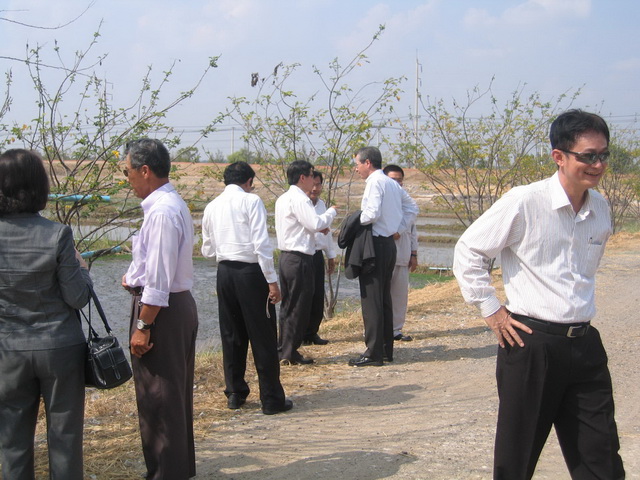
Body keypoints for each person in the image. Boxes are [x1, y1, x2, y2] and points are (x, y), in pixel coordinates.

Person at [453, 109, 625, 479]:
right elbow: (469, 250)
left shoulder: (600, 207)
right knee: (517, 459)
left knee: (602, 460)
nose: (598, 165)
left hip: (585, 345)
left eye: (603, 155)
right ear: (558, 156)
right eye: (588, 156)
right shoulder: (524, 201)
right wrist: (492, 310)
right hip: (531, 344)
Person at [0, 149, 92, 480]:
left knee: (12, 442)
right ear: (39, 186)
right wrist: (83, 270)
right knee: (65, 439)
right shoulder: (57, 234)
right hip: (59, 348)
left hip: (9, 350)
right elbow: (78, 298)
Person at [121, 138, 199, 480]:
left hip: (161, 313)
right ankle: (173, 469)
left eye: (127, 172)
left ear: (145, 170)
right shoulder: (165, 205)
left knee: (160, 397)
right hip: (167, 307)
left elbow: (158, 281)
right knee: (168, 396)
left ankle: (166, 472)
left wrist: (144, 325)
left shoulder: (163, 212)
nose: (127, 179)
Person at [201, 161, 293, 415]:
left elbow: (207, 249)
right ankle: (271, 399)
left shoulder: (212, 206)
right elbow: (261, 244)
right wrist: (272, 281)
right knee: (262, 335)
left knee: (231, 333)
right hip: (250, 273)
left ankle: (235, 392)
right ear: (249, 181)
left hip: (225, 272)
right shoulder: (251, 201)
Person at [350, 147, 418, 367]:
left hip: (376, 245)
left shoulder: (375, 182)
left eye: (357, 164)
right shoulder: (391, 183)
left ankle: (373, 353)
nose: (356, 169)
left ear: (368, 163)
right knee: (384, 299)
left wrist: (353, 222)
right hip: (389, 245)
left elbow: (371, 213)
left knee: (372, 300)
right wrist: (399, 227)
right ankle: (386, 350)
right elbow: (412, 207)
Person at [275, 160, 337, 365]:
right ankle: (289, 352)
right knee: (298, 306)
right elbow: (315, 223)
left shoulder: (284, 198)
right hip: (299, 258)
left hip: (287, 257)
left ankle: (284, 348)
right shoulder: (300, 198)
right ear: (302, 177)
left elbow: (307, 226)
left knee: (289, 305)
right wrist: (331, 212)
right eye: (311, 176)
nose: (313, 181)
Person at [382, 164, 418, 342]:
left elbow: (413, 231)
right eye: (392, 180)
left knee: (399, 296)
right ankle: (378, 329)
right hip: (383, 255)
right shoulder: (380, 200)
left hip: (402, 255)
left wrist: (414, 254)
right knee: (381, 295)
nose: (396, 184)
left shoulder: (407, 203)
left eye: (399, 180)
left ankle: (395, 330)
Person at [302, 171, 337, 346]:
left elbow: (326, 233)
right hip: (302, 254)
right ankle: (298, 334)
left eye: (318, 185)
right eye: (312, 184)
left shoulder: (321, 204)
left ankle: (311, 333)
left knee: (317, 295)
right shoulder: (301, 204)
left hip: (316, 255)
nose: (315, 189)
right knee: (303, 296)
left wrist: (330, 256)